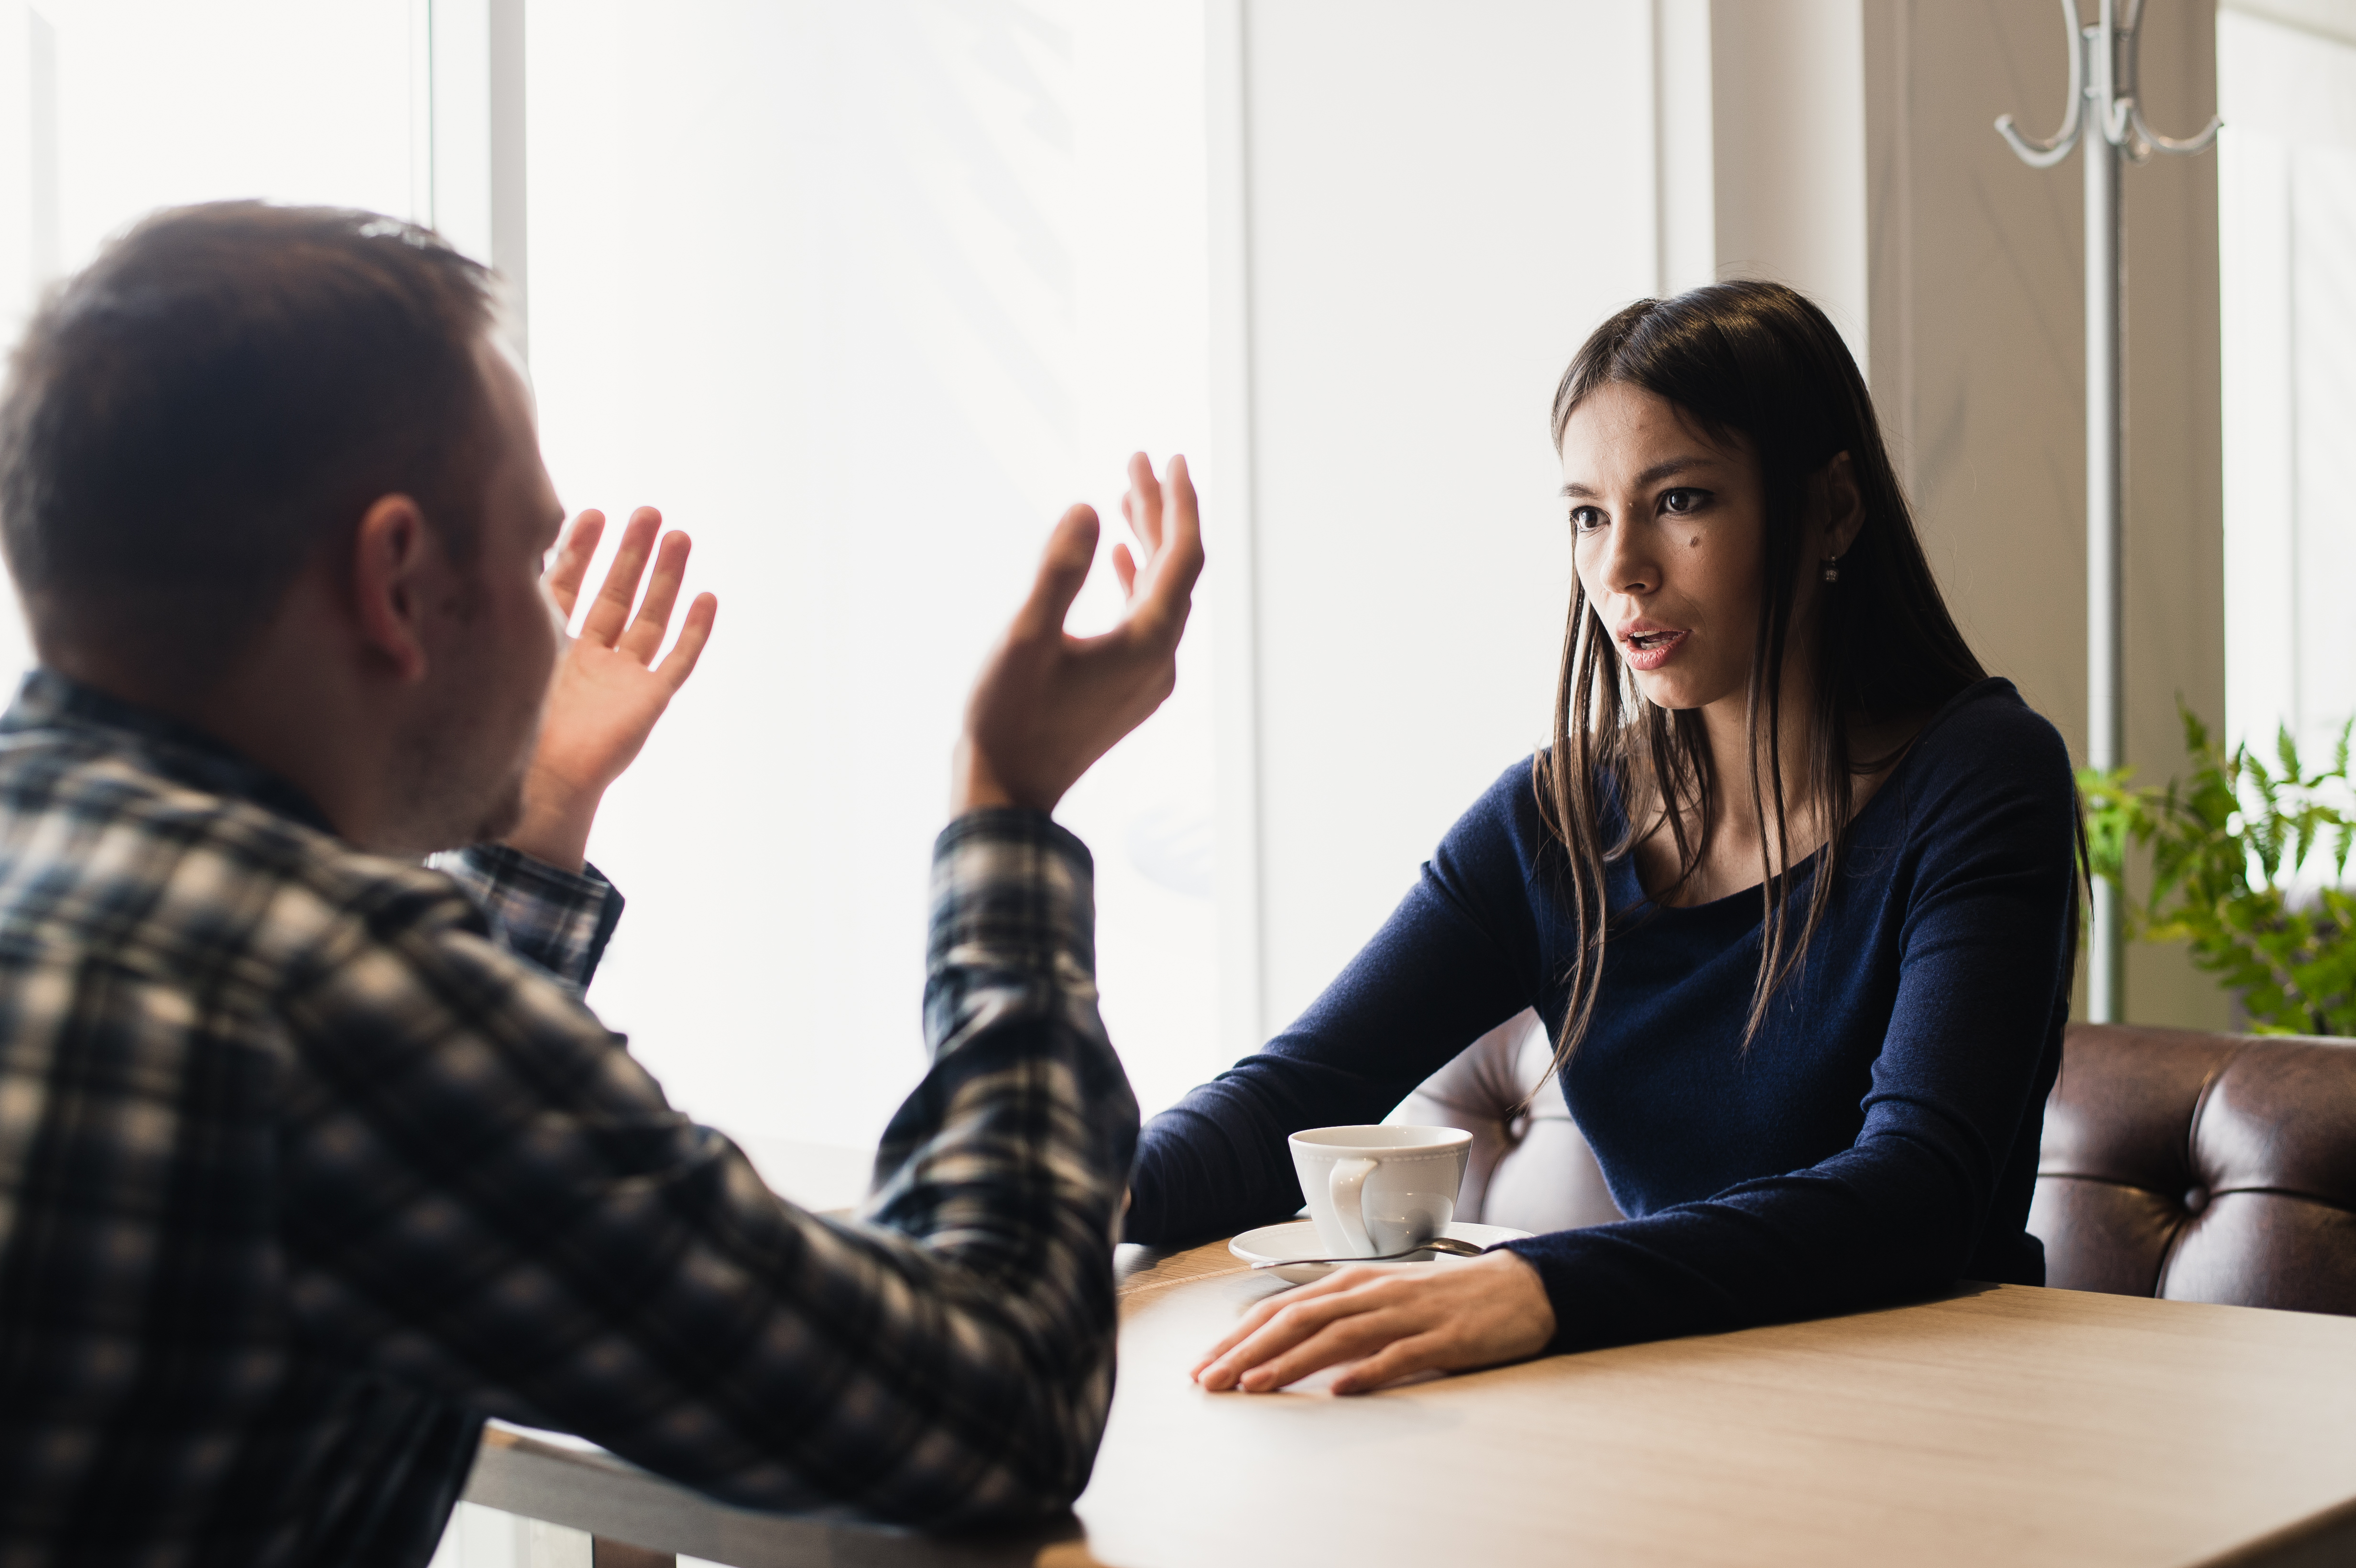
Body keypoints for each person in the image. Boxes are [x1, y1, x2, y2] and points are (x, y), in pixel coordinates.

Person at [0, 201, 1200, 1563]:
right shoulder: (329, 1000)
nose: (551, 617)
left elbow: (376, 1149)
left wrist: (541, 815)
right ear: (397, 579)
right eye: (529, 555)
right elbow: (995, 1397)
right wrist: (1008, 805)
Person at [1126, 281, 2079, 1396]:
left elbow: (1917, 1192)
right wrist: (1052, 1193)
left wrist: (1534, 1288)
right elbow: (1288, 1095)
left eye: (1680, 500)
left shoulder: (1981, 777)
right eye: (1587, 513)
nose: (1621, 566)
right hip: (1668, 1392)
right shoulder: (1554, 821)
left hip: (1939, 1405)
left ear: (1832, 510)